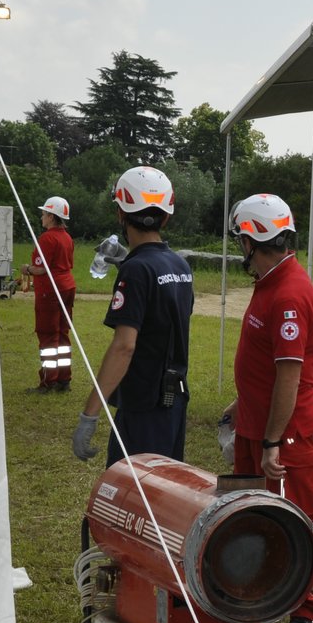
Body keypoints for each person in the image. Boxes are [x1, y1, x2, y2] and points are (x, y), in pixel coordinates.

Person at [222, 193, 313, 623]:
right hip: (259, 423)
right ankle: (266, 590)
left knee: (294, 515)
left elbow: (289, 375)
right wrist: (242, 403)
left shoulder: (287, 294)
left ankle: (311, 605)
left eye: (241, 240)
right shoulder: (273, 283)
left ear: (252, 240)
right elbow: (265, 367)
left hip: (282, 435)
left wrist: (271, 441)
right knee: (252, 513)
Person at [72, 166, 195, 468]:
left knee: (133, 498)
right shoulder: (180, 266)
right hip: (173, 402)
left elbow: (124, 346)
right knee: (165, 492)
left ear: (120, 214)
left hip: (143, 404)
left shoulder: (137, 270)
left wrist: (90, 413)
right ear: (166, 216)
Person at [24, 196, 76, 393]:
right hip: (67, 287)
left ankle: (48, 382)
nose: (41, 217)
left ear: (52, 217)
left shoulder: (47, 238)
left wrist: (27, 269)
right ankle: (64, 379)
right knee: (62, 334)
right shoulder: (67, 237)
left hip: (51, 290)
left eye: (44, 214)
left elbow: (40, 269)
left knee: (48, 336)